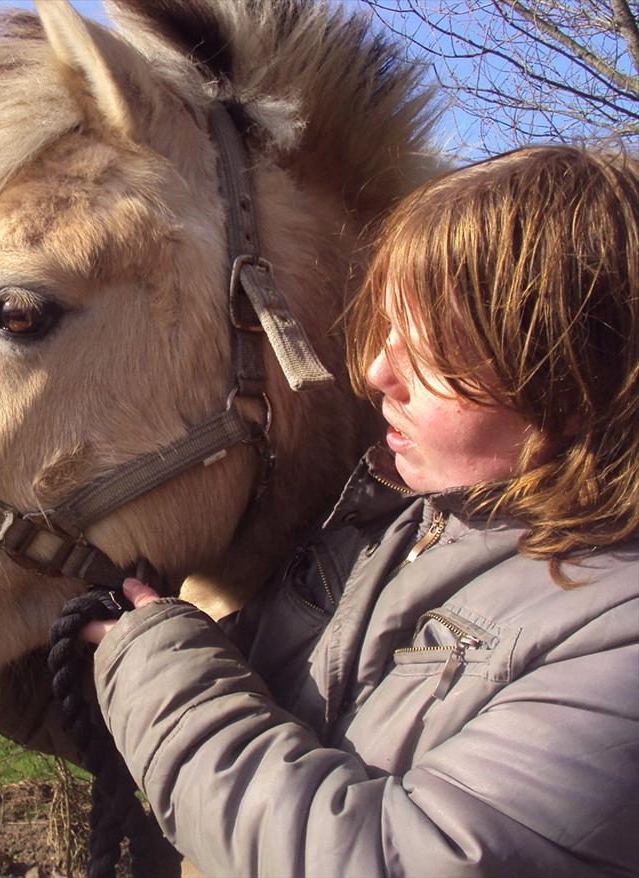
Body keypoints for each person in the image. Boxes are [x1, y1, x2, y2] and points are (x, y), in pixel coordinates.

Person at [64, 144, 638, 876]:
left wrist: (154, 665)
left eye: (437, 345)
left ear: (570, 370)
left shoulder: (617, 636)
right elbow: (241, 695)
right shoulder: (401, 530)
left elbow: (387, 860)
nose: (375, 374)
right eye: (388, 331)